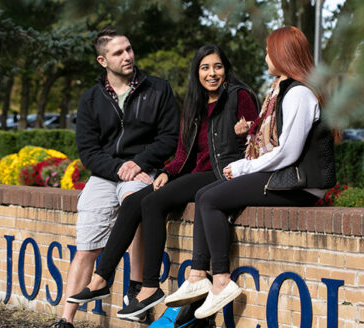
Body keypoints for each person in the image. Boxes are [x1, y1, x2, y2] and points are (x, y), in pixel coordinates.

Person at [67, 44, 259, 320]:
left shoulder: (239, 96)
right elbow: (183, 152)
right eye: (205, 68)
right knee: (136, 200)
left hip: (223, 172)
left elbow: (258, 138)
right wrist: (168, 172)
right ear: (197, 73)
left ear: (226, 69)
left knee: (154, 202)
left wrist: (245, 131)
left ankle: (148, 287)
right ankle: (101, 279)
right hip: (195, 173)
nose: (212, 73)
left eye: (217, 66)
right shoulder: (195, 104)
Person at [164, 26, 333, 319]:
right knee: (205, 193)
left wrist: (245, 167)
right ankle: (197, 277)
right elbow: (275, 145)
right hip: (285, 178)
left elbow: (288, 152)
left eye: (269, 50)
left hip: (299, 185)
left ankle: (220, 282)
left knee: (210, 199)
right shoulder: (282, 91)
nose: (265, 56)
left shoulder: (299, 94)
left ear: (282, 54)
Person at [52, 26, 179, 328]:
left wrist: (139, 163)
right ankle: (66, 319)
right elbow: (88, 150)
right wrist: (117, 168)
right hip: (104, 175)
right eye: (118, 53)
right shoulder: (90, 99)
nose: (127, 56)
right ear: (102, 61)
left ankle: (135, 294)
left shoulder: (158, 89)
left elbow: (169, 137)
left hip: (141, 169)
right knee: (86, 242)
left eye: (129, 49)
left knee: (136, 201)